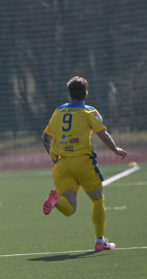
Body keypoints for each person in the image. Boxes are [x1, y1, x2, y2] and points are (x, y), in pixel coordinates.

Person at [41, 76, 127, 251]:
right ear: (85, 93)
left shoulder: (58, 112)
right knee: (97, 200)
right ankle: (100, 241)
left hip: (62, 165)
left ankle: (56, 200)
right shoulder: (89, 112)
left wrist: (53, 157)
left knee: (69, 208)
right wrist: (116, 150)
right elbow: (103, 135)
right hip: (83, 163)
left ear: (69, 94)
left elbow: (45, 137)